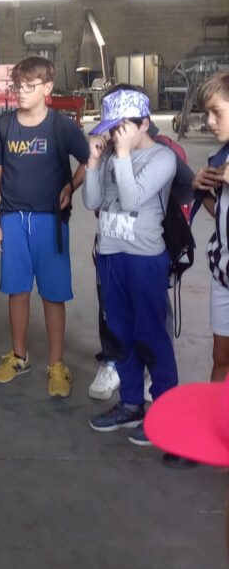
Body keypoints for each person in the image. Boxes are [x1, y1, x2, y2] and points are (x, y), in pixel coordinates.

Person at [0, 56, 88, 398]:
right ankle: (19, 356)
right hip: (13, 220)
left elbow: (89, 159)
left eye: (29, 86)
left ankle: (56, 364)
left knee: (53, 294)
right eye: (18, 86)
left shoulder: (61, 127)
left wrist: (71, 186)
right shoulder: (3, 126)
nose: (21, 92)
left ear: (47, 88)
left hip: (50, 222)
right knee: (18, 290)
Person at [82, 87, 179, 445]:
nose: (114, 135)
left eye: (121, 127)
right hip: (110, 255)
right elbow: (91, 200)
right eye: (111, 129)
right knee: (120, 334)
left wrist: (121, 154)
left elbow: (131, 197)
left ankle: (165, 410)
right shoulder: (110, 155)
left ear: (144, 124)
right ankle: (131, 403)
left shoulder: (162, 158)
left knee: (150, 334)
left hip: (144, 259)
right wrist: (94, 162)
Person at [191, 72, 229, 382]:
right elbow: (220, 213)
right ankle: (216, 408)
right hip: (224, 275)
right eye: (207, 113)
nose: (210, 121)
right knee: (221, 357)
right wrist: (201, 190)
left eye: (217, 112)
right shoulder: (218, 158)